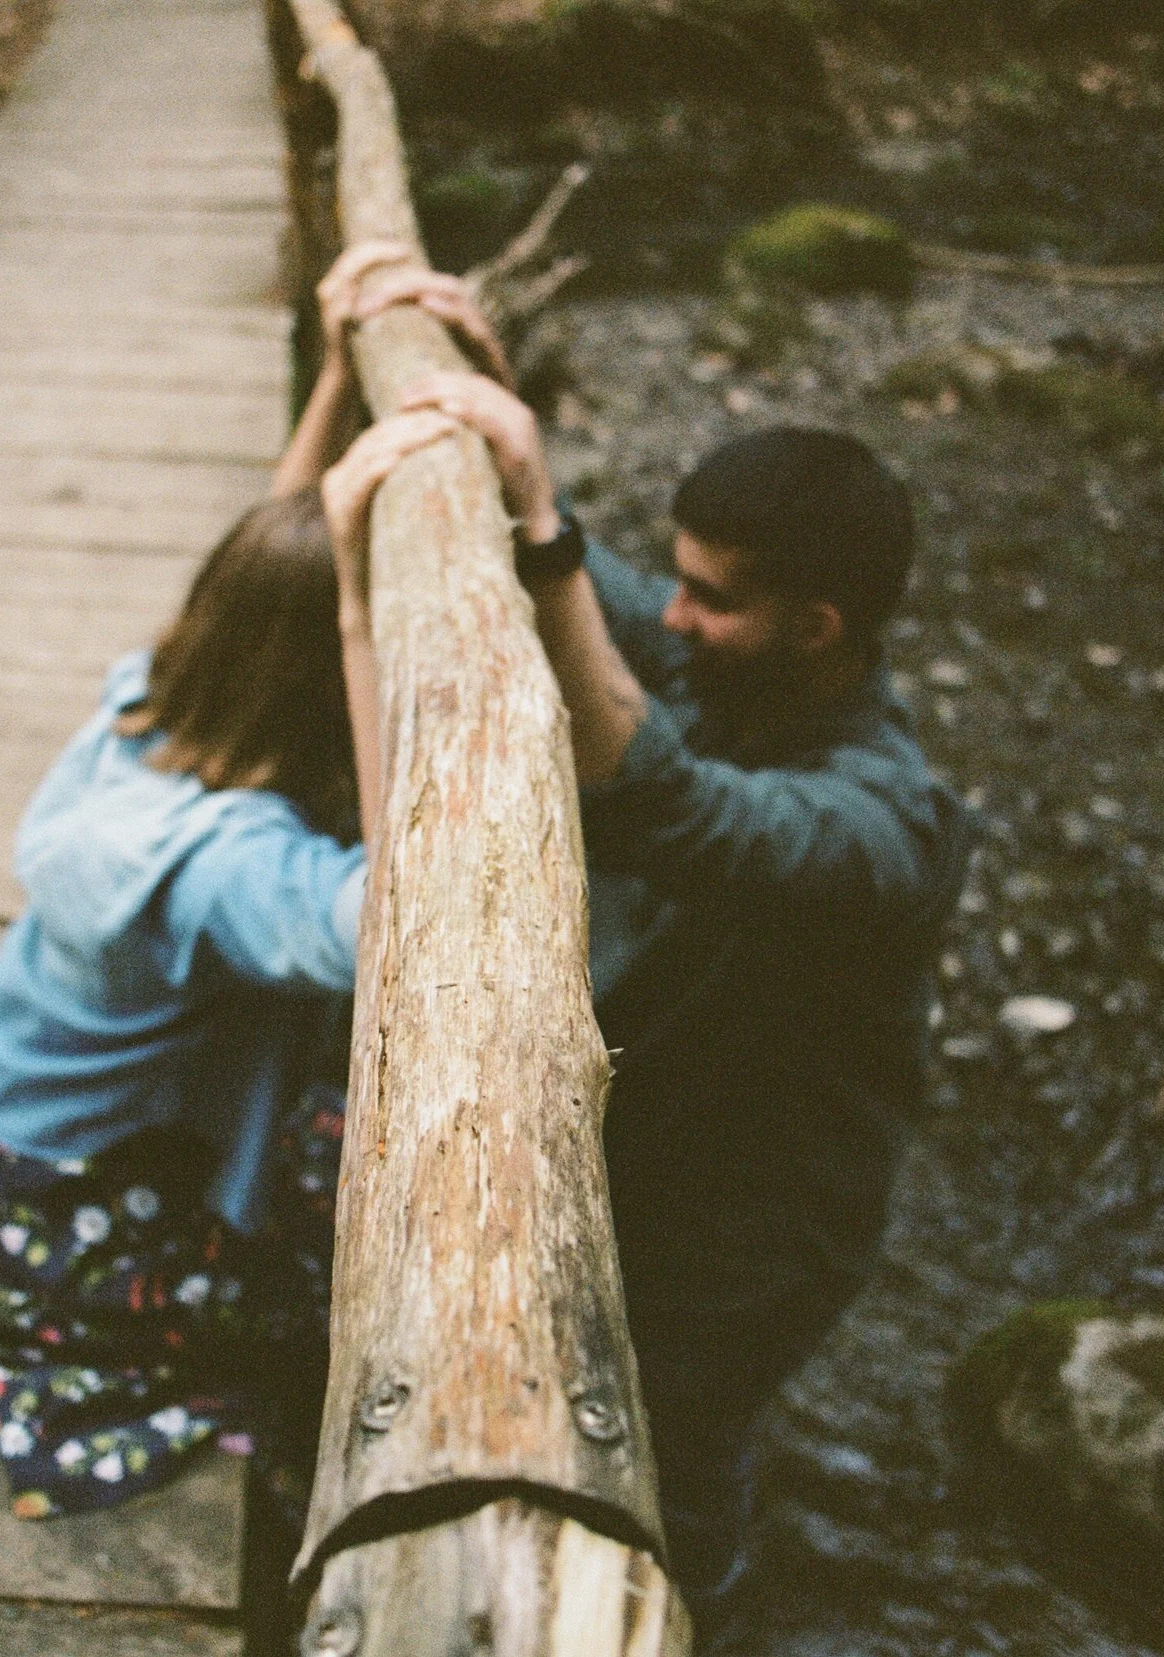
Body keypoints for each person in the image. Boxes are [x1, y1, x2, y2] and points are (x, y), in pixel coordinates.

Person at [396, 323, 973, 1614]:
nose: (676, 612)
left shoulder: (884, 824)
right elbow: (602, 602)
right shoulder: (738, 671)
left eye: (712, 596)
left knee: (677, 1445)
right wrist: (487, 412)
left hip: (761, 1223)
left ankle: (696, 1609)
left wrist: (543, 540)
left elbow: (667, 804)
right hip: (664, 1138)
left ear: (815, 626)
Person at [0, 242, 476, 1520]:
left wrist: (333, 380)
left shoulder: (150, 702)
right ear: (334, 686)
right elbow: (398, 906)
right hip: (63, 1226)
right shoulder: (234, 873)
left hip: (1, 1142)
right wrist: (362, 625)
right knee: (322, 1320)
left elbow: (259, 579)